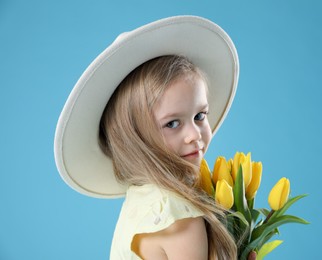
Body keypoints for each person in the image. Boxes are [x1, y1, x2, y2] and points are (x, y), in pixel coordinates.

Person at [55, 16, 255, 259]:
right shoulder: (181, 217)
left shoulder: (143, 198)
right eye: (172, 123)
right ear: (134, 137)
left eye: (200, 115)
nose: (194, 135)